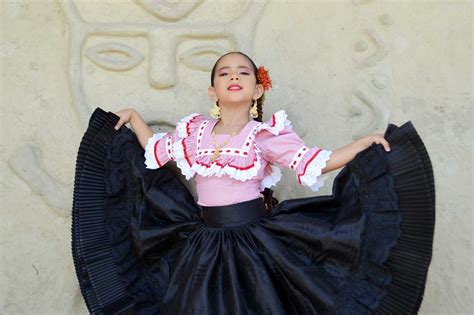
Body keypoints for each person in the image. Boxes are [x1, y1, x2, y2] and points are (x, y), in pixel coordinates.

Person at [72, 51, 435, 314]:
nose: (233, 77)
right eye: (224, 73)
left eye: (243, 73)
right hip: (202, 244)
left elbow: (310, 162)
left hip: (254, 243)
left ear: (257, 90)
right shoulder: (195, 132)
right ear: (213, 92)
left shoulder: (262, 136)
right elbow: (155, 149)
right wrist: (135, 118)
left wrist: (358, 146)